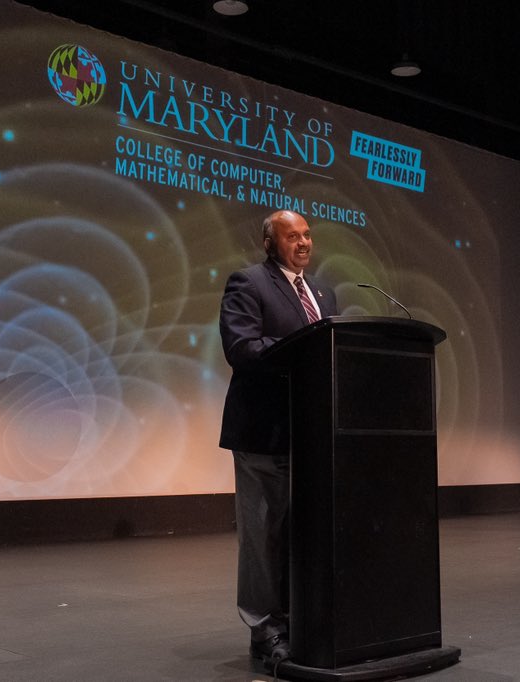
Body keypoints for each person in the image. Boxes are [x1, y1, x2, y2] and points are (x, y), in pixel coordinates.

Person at [219, 210, 339, 663]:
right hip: (262, 433)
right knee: (262, 537)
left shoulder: (324, 292)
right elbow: (241, 347)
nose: (303, 242)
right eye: (292, 236)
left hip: (312, 435)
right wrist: (301, 351)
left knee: (299, 534)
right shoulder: (248, 283)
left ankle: (296, 618)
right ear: (271, 244)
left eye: (307, 234)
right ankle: (263, 629)